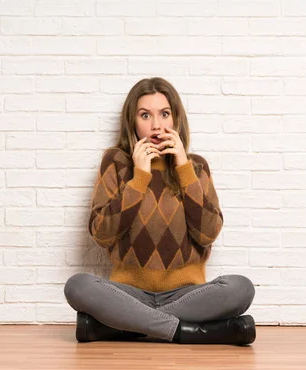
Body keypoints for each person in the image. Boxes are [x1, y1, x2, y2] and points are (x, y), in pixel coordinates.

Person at [64, 77, 256, 345]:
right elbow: (102, 234)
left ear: (176, 120)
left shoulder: (196, 167)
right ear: (132, 122)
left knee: (241, 288)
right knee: (77, 286)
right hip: (128, 295)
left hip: (187, 295)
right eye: (145, 115)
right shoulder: (117, 163)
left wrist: (183, 167)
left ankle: (120, 327)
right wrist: (139, 177)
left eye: (164, 114)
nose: (156, 125)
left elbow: (208, 233)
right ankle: (185, 331)